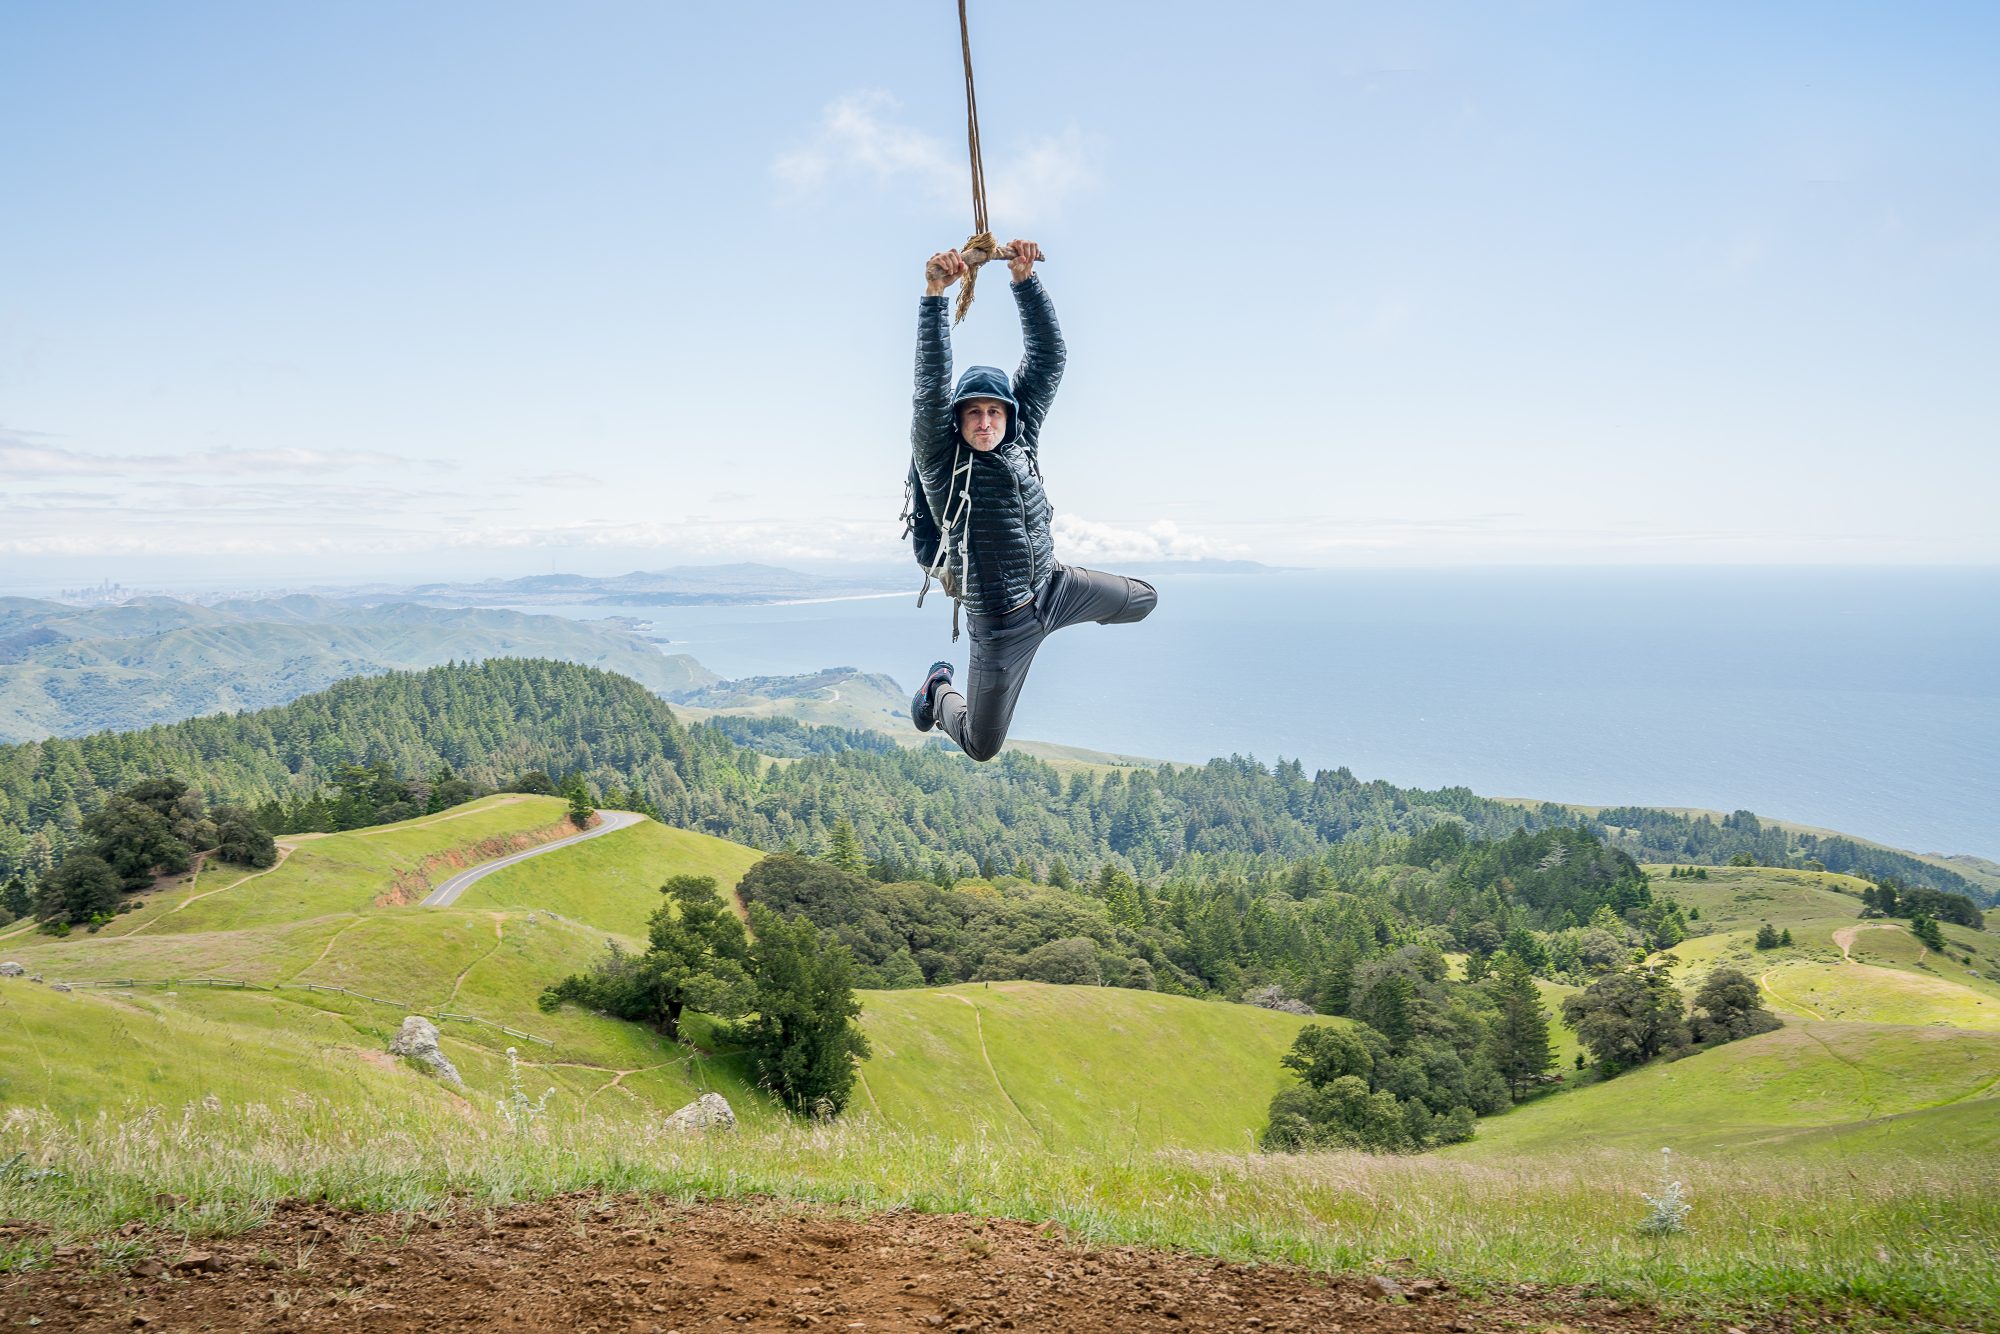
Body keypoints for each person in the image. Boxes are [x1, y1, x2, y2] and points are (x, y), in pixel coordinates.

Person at [906, 240, 1157, 761]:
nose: (984, 422)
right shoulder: (939, 459)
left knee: (1144, 600)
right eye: (972, 413)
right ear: (957, 420)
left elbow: (1049, 358)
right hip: (1001, 623)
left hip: (1056, 586)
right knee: (981, 745)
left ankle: (1069, 617)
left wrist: (1025, 280)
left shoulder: (1023, 438)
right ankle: (936, 691)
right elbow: (929, 388)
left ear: (1008, 415)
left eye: (994, 412)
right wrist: (934, 294)